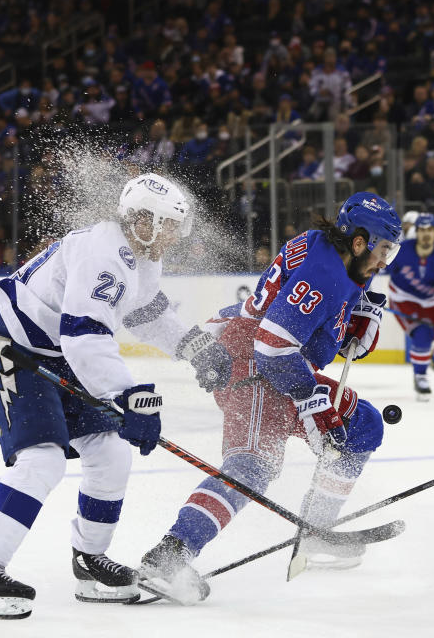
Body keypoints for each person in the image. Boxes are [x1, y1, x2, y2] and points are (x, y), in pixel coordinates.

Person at [0, 173, 229, 619]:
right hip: (19, 352)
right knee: (42, 459)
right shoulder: (104, 252)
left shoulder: (141, 255)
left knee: (110, 454)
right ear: (144, 220)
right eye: (169, 226)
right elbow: (84, 335)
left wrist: (192, 346)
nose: (174, 237)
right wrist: (128, 396)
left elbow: (144, 313)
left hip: (60, 356)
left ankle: (89, 561)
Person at [138, 192, 402, 602]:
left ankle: (316, 530)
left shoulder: (337, 254)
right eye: (384, 248)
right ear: (359, 241)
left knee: (362, 426)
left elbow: (322, 331)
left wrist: (357, 318)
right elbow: (273, 345)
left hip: (275, 362)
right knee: (252, 465)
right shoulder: (325, 272)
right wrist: (312, 404)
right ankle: (169, 556)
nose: (386, 260)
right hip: (254, 368)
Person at [386, 213, 434, 401]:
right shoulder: (401, 251)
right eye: (422, 230)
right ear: (416, 232)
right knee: (422, 334)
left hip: (430, 302)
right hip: (403, 300)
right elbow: (377, 266)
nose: (426, 234)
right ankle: (420, 376)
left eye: (430, 230)